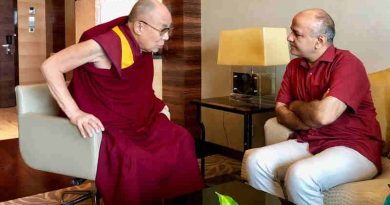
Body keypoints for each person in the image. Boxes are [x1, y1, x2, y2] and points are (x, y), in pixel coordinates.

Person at [40, 0, 204, 204]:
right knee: (133, 159)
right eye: (162, 30)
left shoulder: (141, 47)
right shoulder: (103, 45)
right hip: (109, 125)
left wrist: (157, 107)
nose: (167, 37)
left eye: (169, 30)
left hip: (138, 121)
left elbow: (136, 89)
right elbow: (51, 66)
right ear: (139, 26)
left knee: (182, 139)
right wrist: (75, 113)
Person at [246, 8, 383, 205]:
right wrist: (307, 118)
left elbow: (322, 117)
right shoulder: (294, 66)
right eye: (291, 31)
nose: (289, 37)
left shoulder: (347, 63)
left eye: (296, 33)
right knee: (254, 161)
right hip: (311, 139)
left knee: (300, 174)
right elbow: (280, 110)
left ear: (319, 40)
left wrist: (296, 105)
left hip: (354, 146)